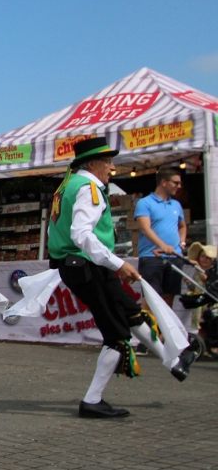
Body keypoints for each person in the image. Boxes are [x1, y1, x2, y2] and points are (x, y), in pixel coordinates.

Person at [46, 137, 195, 419]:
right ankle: (92, 400)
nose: (111, 168)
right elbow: (81, 235)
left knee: (130, 313)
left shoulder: (68, 184)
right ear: (92, 163)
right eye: (107, 162)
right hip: (88, 266)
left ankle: (173, 362)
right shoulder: (87, 187)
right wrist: (117, 264)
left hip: (85, 265)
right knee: (116, 334)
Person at [135, 167, 186, 307]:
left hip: (175, 256)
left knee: (169, 299)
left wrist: (182, 243)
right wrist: (162, 245)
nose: (179, 186)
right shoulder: (144, 203)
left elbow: (182, 226)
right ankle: (153, 328)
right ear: (164, 182)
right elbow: (145, 228)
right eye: (175, 183)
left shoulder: (176, 204)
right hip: (151, 257)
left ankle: (165, 329)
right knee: (152, 300)